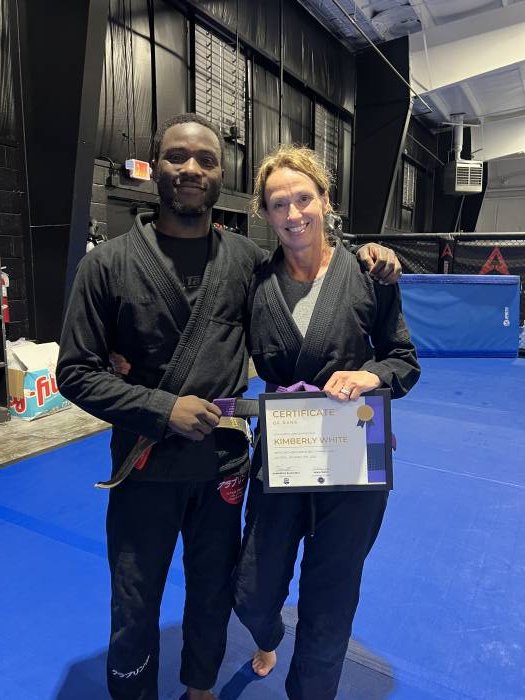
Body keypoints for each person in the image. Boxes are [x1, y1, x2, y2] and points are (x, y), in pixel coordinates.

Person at [56, 113, 402, 700]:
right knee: (135, 600)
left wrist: (371, 255)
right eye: (176, 157)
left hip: (225, 464)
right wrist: (160, 407)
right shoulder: (106, 265)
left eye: (207, 160)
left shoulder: (245, 262)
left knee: (214, 590)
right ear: (153, 167)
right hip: (146, 464)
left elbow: (317, 281)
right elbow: (74, 372)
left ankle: (201, 687)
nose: (191, 169)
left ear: (222, 177)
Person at [233, 145, 421, 700]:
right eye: (278, 203)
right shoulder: (255, 283)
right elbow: (208, 338)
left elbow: (403, 360)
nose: (293, 214)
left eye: (303, 198)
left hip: (354, 450)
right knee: (252, 590)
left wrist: (369, 375)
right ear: (265, 213)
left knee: (331, 597)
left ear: (325, 201)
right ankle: (268, 636)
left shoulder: (369, 274)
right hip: (284, 448)